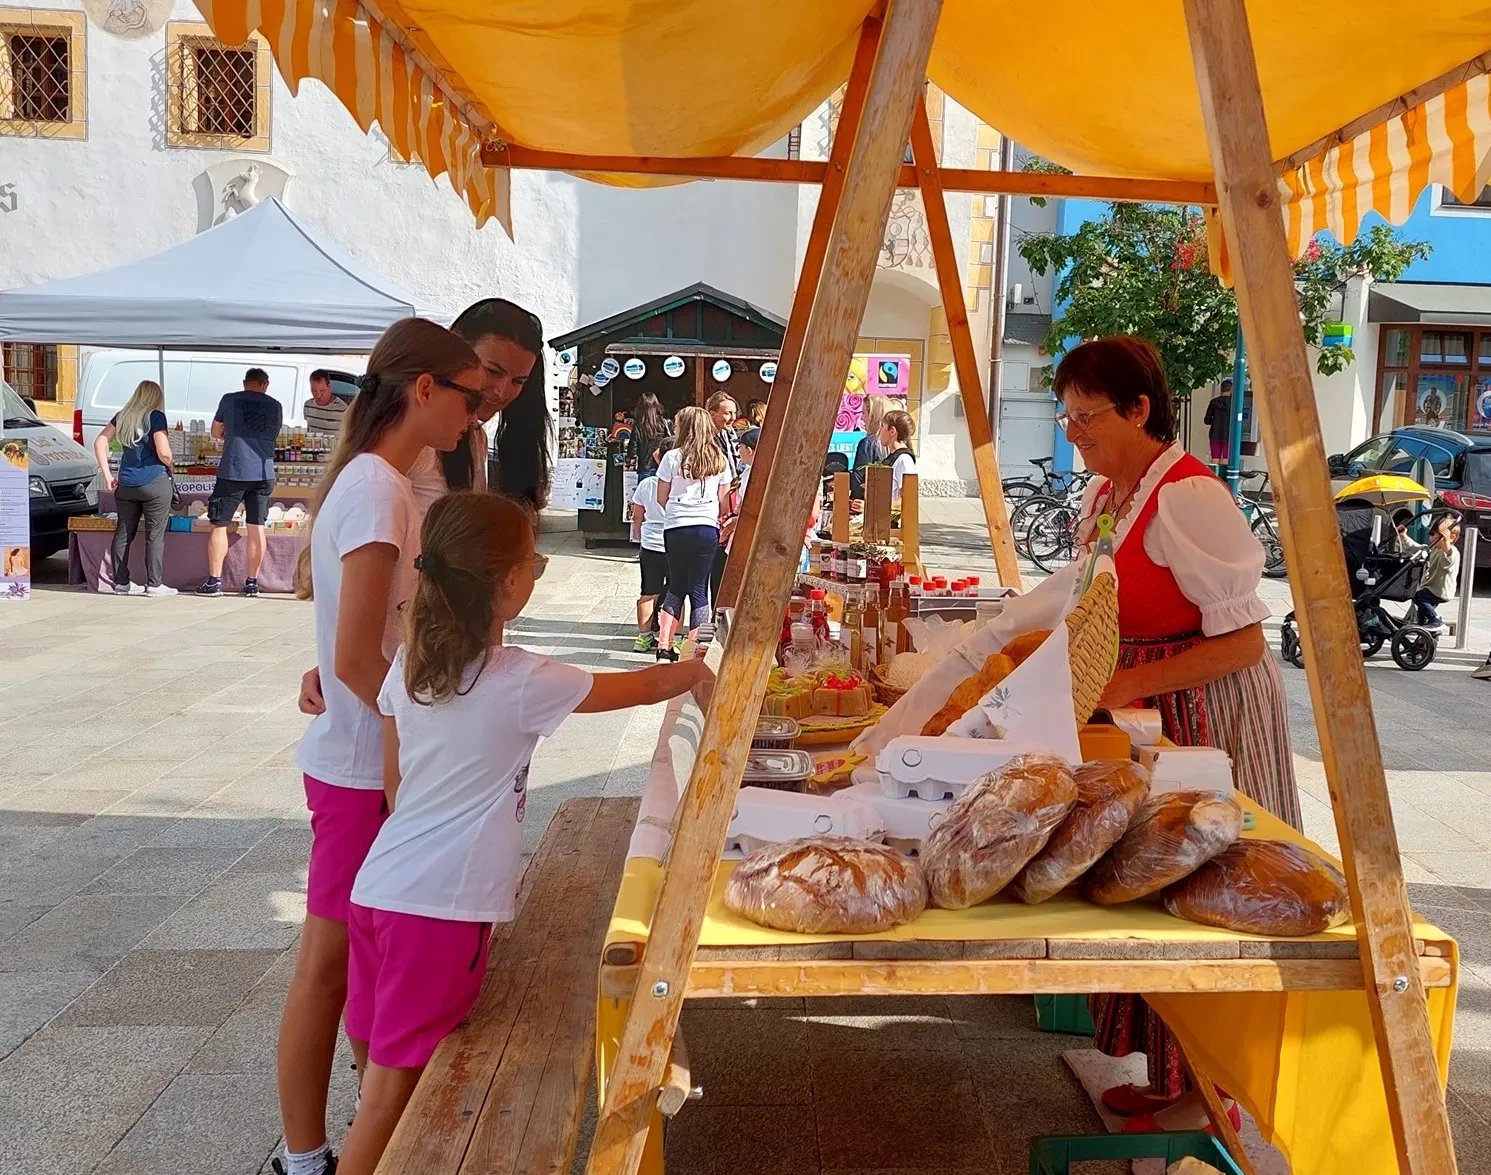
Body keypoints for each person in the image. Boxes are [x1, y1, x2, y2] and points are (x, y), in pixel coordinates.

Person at [334, 491, 709, 1175]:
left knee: (374, 1075)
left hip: (378, 890)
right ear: (509, 581)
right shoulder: (520, 680)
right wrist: (698, 670)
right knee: (391, 1093)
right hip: (440, 913)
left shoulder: (409, 665)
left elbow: (395, 787)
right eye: (533, 559)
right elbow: (638, 686)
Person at [1055, 335, 1300, 1134]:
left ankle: (1212, 1092)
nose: (1076, 433)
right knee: (1146, 890)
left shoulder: (1188, 497)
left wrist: (1124, 681)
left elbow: (1242, 641)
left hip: (1206, 716)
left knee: (1208, 894)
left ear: (1139, 408)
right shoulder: (1105, 497)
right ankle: (1176, 1076)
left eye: (1088, 416)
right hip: (1143, 715)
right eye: (1067, 417)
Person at [275, 318, 482, 1175]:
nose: (477, 415)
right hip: (363, 770)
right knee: (331, 967)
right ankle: (307, 1156)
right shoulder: (376, 489)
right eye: (469, 397)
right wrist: (416, 748)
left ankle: (367, 1139)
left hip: (369, 761)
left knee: (362, 964)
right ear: (424, 389)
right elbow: (363, 656)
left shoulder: (382, 481)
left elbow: (360, 647)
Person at [406, 298, 548, 515]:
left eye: (518, 381)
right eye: (492, 371)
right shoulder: (413, 437)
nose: (501, 391)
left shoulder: (476, 438)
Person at [197, 367, 283, 598]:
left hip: (233, 469)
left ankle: (215, 581)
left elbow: (215, 431)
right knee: (256, 527)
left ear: (245, 382)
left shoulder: (230, 399)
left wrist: (230, 433)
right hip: (263, 472)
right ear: (265, 384)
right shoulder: (275, 405)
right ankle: (252, 582)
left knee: (220, 525)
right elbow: (273, 435)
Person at [91, 379, 177, 597]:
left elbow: (100, 441)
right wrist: (171, 464)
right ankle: (155, 584)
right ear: (155, 397)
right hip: (154, 482)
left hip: (126, 483)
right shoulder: (156, 417)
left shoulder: (123, 415)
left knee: (123, 532)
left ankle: (121, 582)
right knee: (154, 534)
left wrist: (108, 475)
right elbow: (164, 451)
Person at [657, 406, 728, 660]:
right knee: (699, 588)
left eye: (677, 423)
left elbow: (661, 497)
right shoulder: (718, 458)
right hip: (707, 526)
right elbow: (724, 502)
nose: (674, 427)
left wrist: (677, 510)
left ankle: (664, 645)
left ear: (684, 427)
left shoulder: (672, 457)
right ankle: (695, 648)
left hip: (676, 526)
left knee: (676, 584)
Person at [705, 391, 741, 603]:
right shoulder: (706, 439)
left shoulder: (729, 434)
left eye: (734, 412)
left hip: (729, 499)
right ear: (712, 414)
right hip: (713, 503)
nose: (733, 418)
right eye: (727, 413)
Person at [1398, 514, 1461, 633]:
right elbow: (1416, 549)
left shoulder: (1451, 552)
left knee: (1417, 596)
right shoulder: (1434, 549)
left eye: (1436, 535)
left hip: (1440, 590)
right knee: (1422, 617)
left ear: (1451, 538)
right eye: (1431, 533)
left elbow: (1449, 560)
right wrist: (1404, 537)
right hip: (1430, 588)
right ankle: (1424, 641)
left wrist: (1446, 543)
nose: (1431, 537)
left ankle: (1436, 620)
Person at [630, 464, 668, 653]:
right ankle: (671, 639)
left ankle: (643, 638)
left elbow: (638, 516)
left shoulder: (646, 484)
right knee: (675, 593)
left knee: (648, 592)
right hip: (676, 542)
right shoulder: (683, 484)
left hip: (651, 543)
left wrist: (640, 538)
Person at [850, 393, 894, 502]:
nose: (861, 417)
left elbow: (858, 480)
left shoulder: (868, 444)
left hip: (867, 505)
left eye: (863, 413)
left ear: (873, 416)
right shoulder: (895, 443)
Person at [878, 409, 917, 506]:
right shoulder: (893, 456)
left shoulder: (904, 459)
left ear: (892, 431)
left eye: (882, 426)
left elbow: (907, 499)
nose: (879, 431)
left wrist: (872, 507)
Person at [627, 391, 671, 478]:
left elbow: (632, 450)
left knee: (645, 490)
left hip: (645, 467)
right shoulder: (664, 423)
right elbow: (669, 443)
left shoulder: (638, 426)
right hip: (662, 466)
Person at [304, 369, 349, 437]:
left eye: (322, 390)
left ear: (329, 387)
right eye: (314, 391)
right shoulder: (308, 405)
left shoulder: (342, 408)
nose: (318, 395)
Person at [1203, 378, 1233, 466]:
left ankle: (1216, 477)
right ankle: (1224, 479)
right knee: (1226, 458)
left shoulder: (1213, 402)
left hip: (1215, 434)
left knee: (1215, 459)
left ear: (1221, 389)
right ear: (1231, 389)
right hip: (1229, 435)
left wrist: (1215, 421)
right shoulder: (1234, 403)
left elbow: (1207, 420)